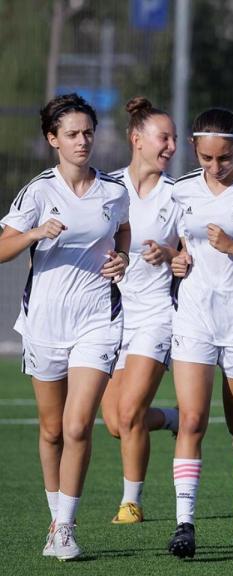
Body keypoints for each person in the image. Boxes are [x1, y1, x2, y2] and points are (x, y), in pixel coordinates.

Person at [0, 93, 129, 560]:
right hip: (44, 322)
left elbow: (124, 231)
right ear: (53, 139)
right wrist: (34, 233)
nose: (82, 141)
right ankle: (55, 518)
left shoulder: (114, 191)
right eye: (72, 134)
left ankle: (66, 527)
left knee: (78, 427)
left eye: (88, 132)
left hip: (97, 320)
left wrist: (122, 258)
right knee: (52, 429)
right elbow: (2, 248)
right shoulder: (38, 191)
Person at [165, 107, 233, 558]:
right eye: (208, 158)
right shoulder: (181, 190)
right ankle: (184, 524)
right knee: (190, 419)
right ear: (196, 149)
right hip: (193, 314)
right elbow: (179, 243)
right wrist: (175, 258)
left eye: (225, 158)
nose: (215, 167)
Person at [99, 97, 181, 525]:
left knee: (129, 412)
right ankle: (173, 418)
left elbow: (191, 252)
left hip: (156, 315)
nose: (170, 145)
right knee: (115, 422)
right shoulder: (107, 189)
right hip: (111, 317)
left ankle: (131, 502)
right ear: (137, 139)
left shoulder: (179, 193)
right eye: (162, 137)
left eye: (173, 138)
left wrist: (171, 253)